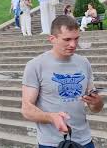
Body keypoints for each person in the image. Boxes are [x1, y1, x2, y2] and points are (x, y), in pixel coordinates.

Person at [21, 15, 104, 148]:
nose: (73, 44)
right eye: (67, 39)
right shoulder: (35, 65)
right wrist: (51, 117)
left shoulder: (84, 62)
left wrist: (97, 102)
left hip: (84, 141)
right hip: (51, 143)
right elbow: (26, 109)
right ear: (52, 39)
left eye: (76, 38)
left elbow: (94, 108)